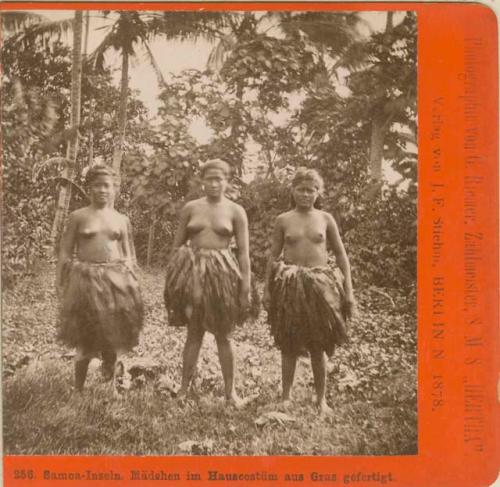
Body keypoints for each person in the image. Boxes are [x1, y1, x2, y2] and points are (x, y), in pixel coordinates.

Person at [263, 167, 355, 415]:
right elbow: (273, 256)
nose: (305, 194)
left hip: (320, 285)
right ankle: (286, 397)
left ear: (318, 192)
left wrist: (349, 291)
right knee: (289, 343)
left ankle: (321, 399)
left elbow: (341, 255)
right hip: (290, 285)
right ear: (292, 191)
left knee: (319, 344)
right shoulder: (283, 220)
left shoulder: (325, 219)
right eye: (301, 189)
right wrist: (267, 290)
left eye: (311, 190)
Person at [164, 159, 251, 408]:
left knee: (224, 335)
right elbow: (177, 245)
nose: (214, 184)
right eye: (209, 179)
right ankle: (183, 389)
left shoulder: (236, 211)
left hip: (222, 276)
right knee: (194, 333)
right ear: (202, 181)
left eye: (219, 179)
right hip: (193, 276)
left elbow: (244, 253)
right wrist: (174, 278)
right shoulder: (191, 208)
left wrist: (245, 286)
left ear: (227, 181)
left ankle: (230, 393)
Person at [56, 164, 143, 393]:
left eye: (108, 185)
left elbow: (128, 254)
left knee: (113, 336)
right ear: (89, 187)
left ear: (115, 188)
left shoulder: (121, 220)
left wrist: (131, 279)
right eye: (97, 185)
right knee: (85, 338)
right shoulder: (78, 217)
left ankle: (111, 386)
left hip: (115, 282)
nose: (103, 190)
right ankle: (78, 389)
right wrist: (61, 279)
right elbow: (65, 250)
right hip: (86, 282)